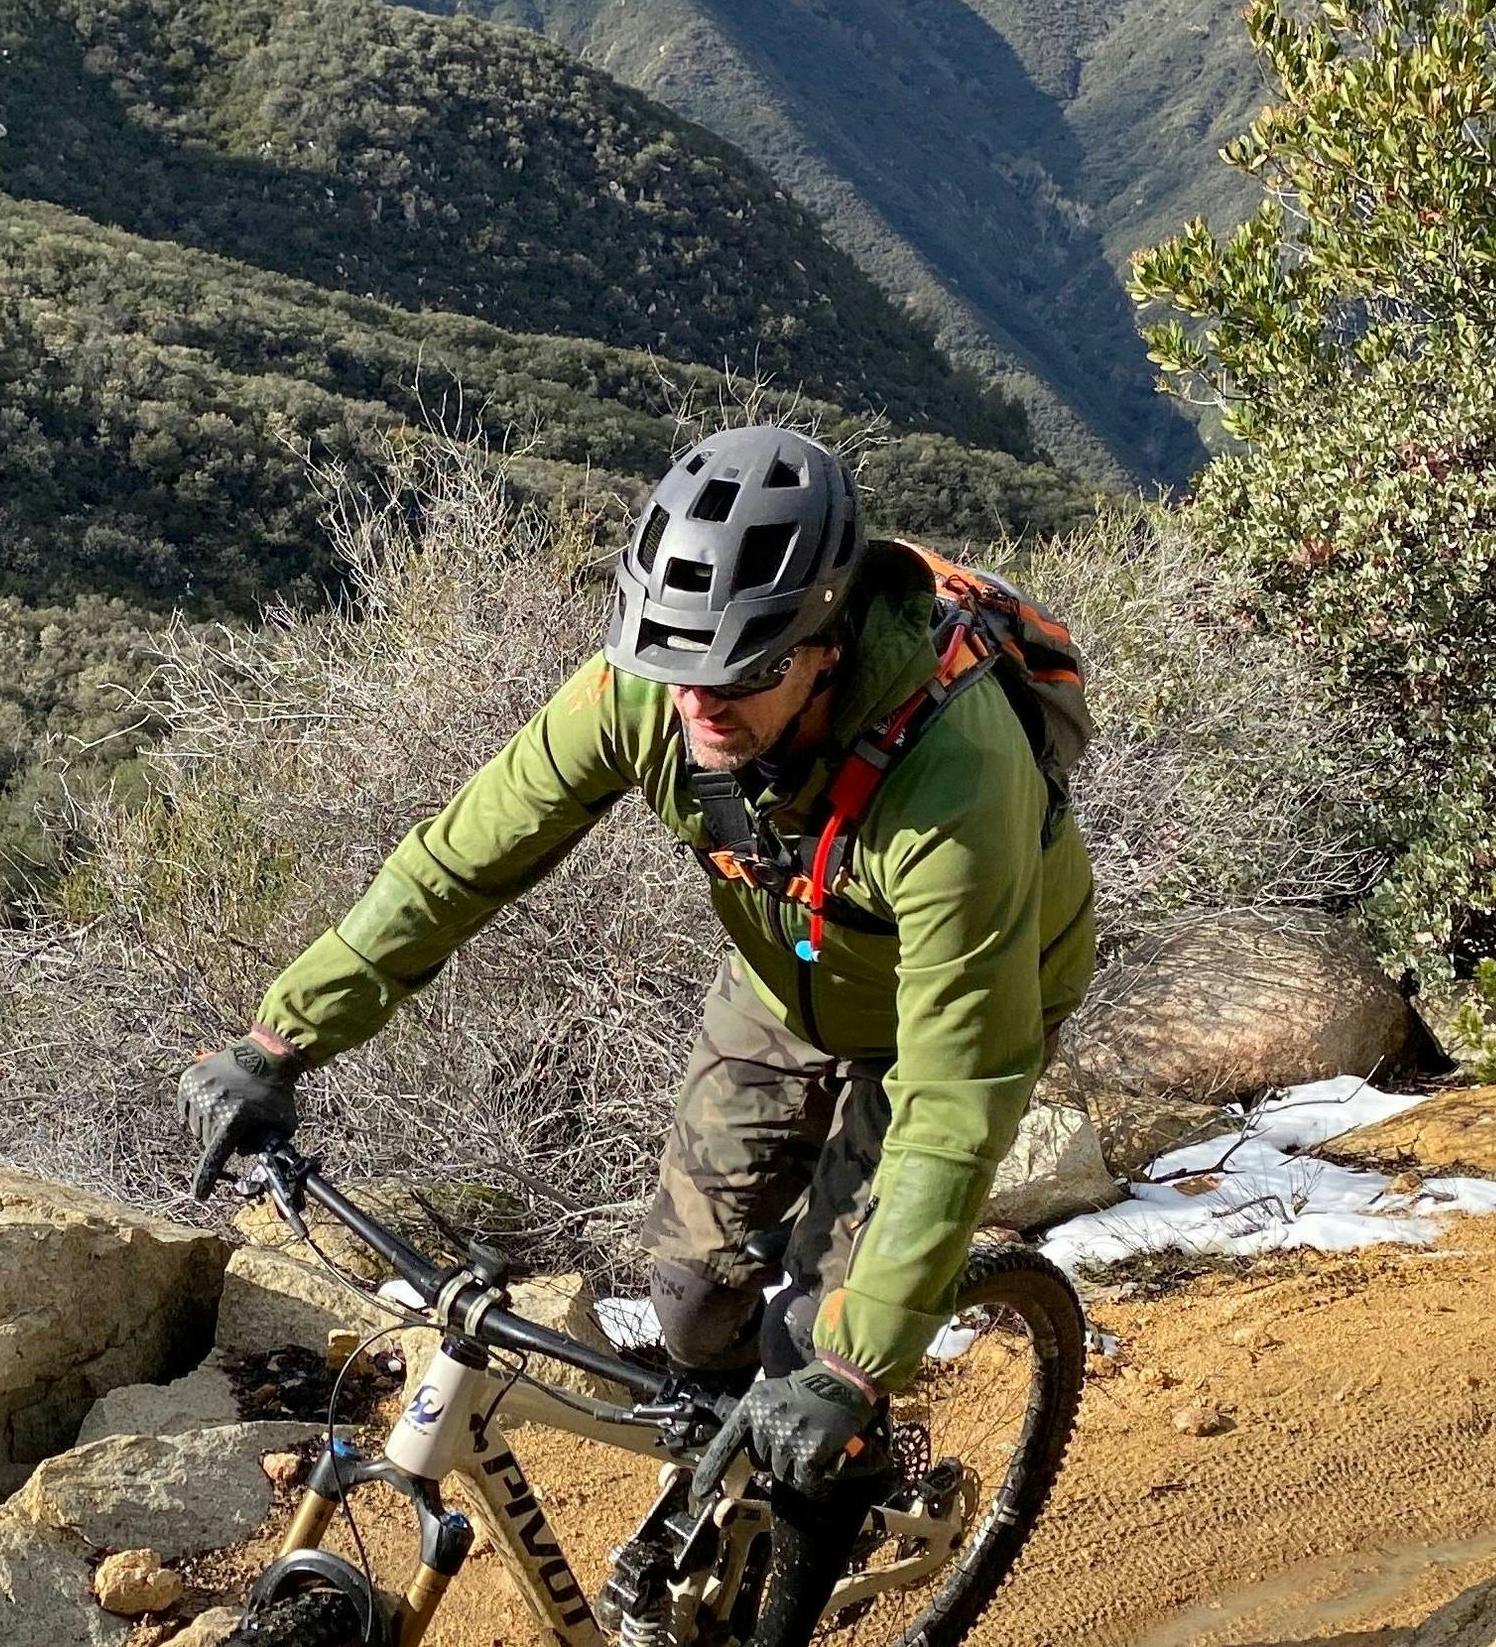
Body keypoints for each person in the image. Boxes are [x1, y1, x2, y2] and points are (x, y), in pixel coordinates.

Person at [179, 424, 1097, 1499]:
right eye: (674, 669)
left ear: (827, 646)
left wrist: (854, 1364)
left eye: (742, 673)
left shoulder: (953, 782)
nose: (698, 707)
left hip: (950, 1015)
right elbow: (457, 862)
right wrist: (278, 1038)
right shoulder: (650, 689)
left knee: (816, 1339)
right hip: (784, 977)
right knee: (691, 1300)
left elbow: (956, 1091)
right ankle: (735, 1485)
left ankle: (842, 1495)